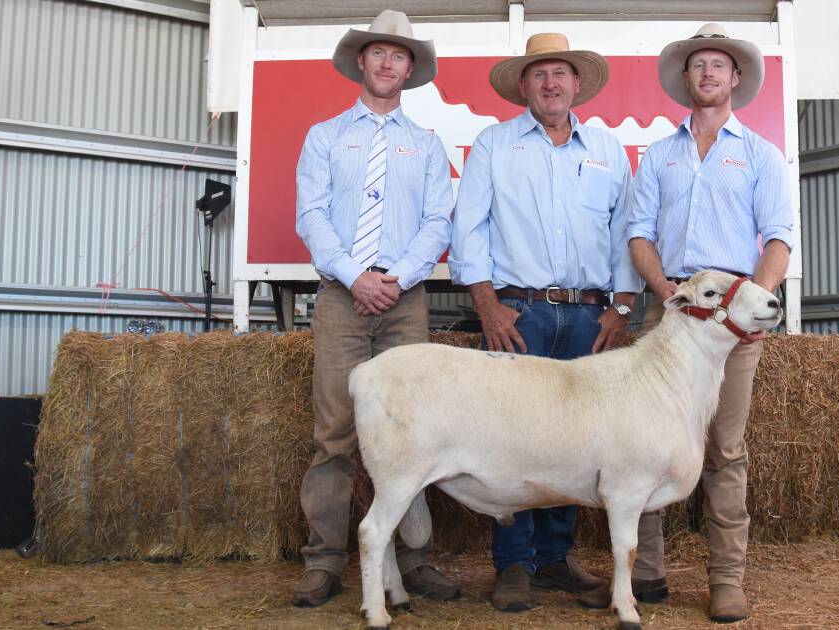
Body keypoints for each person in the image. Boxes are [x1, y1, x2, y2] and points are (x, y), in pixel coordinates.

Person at [583, 23, 795, 623]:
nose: (707, 74)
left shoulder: (758, 154)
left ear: (735, 79)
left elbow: (778, 237)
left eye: (718, 66)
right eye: (698, 65)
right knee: (640, 445)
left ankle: (726, 579)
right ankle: (644, 575)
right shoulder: (659, 154)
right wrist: (664, 292)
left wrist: (753, 302)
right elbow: (639, 233)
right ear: (685, 78)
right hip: (671, 306)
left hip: (731, 313)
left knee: (726, 448)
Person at [449, 32, 643, 613]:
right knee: (510, 436)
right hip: (518, 310)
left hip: (591, 314)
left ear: (576, 84)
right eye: (539, 75)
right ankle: (513, 564)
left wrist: (623, 307)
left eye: (559, 74)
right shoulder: (494, 145)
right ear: (524, 87)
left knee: (579, 439)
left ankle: (556, 560)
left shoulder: (609, 150)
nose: (550, 84)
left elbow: (623, 235)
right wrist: (486, 303)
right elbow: (469, 228)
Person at [292, 9, 457, 608]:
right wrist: (355, 276)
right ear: (362, 61)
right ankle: (325, 560)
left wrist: (396, 277)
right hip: (342, 298)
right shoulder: (326, 137)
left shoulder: (426, 145)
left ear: (411, 69)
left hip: (405, 300)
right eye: (378, 53)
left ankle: (414, 560)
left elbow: (439, 219)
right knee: (334, 431)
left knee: (414, 432)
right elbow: (311, 215)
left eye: (399, 56)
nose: (388, 63)